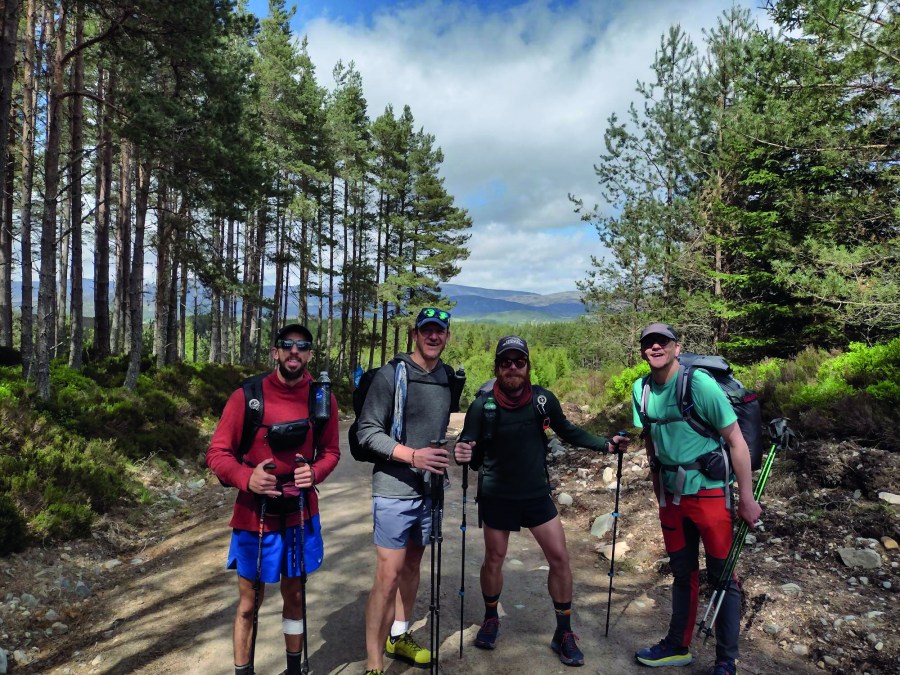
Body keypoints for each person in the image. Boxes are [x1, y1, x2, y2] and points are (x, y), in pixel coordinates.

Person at [453, 335, 628, 668]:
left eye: (519, 362)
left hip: (535, 494)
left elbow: (569, 431)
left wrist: (606, 445)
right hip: (497, 494)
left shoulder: (543, 401)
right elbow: (467, 444)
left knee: (560, 558)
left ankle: (563, 632)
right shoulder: (482, 405)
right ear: (497, 368)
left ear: (528, 366)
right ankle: (491, 618)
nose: (513, 368)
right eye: (506, 362)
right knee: (494, 558)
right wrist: (460, 451)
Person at [207, 324, 341, 675]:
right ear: (275, 352)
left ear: (310, 354)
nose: (294, 352)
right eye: (287, 345)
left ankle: (294, 670)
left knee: (294, 596)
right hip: (255, 516)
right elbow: (218, 455)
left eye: (302, 346)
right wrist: (246, 477)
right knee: (249, 603)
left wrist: (314, 474)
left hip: (299, 513)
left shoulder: (321, 398)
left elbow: (330, 452)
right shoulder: (247, 397)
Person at [631, 323, 761, 675]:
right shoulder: (640, 389)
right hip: (672, 498)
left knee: (722, 577)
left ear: (677, 347)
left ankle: (725, 661)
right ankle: (677, 646)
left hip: (710, 494)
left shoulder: (698, 383)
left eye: (663, 342)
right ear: (643, 351)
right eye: (648, 343)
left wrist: (746, 498)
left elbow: (735, 440)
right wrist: (659, 495)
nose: (655, 347)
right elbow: (651, 441)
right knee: (682, 572)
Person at [357, 307, 455, 675]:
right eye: (426, 330)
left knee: (413, 565)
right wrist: (413, 455)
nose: (433, 337)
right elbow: (367, 432)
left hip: (430, 492)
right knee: (389, 574)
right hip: (394, 489)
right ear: (414, 334)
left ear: (447, 336)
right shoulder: (390, 375)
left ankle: (398, 635)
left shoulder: (447, 378)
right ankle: (373, 662)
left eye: (439, 331)